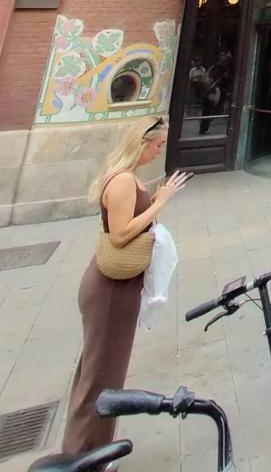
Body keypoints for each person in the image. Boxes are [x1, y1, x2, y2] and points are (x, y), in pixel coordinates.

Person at [62, 117, 190, 454]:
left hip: (119, 287)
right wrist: (160, 202)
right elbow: (120, 235)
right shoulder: (121, 181)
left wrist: (156, 198)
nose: (160, 150)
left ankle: (91, 448)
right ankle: (85, 454)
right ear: (140, 143)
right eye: (157, 145)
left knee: (102, 370)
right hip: (109, 290)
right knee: (101, 376)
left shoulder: (130, 177)